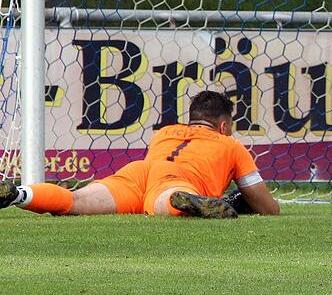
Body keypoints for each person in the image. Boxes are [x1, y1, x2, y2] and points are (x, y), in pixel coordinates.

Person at [0, 91, 279, 219]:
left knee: (76, 200)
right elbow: (267, 207)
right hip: (176, 180)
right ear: (223, 126)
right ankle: (181, 202)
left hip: (137, 174)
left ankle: (18, 194)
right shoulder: (231, 145)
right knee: (168, 198)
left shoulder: (165, 132)